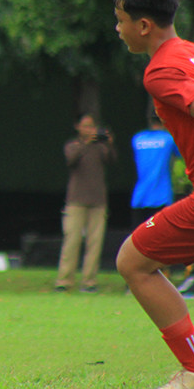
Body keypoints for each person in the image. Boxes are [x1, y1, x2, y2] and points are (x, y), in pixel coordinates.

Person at [112, 0, 194, 389]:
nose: (118, 29)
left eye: (120, 20)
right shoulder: (193, 52)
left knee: (133, 261)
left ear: (144, 25)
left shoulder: (162, 70)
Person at [54, 112, 116, 293]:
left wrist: (109, 143)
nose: (89, 130)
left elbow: (111, 159)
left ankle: (89, 281)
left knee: (95, 243)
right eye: (85, 126)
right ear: (78, 127)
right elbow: (71, 161)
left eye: (92, 126)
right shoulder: (73, 145)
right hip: (76, 201)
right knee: (71, 240)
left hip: (98, 201)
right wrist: (87, 142)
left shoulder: (100, 147)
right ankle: (64, 280)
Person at [130, 111, 179, 228]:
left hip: (140, 195)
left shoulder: (137, 138)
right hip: (161, 195)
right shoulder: (168, 139)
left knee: (139, 234)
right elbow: (181, 154)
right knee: (161, 233)